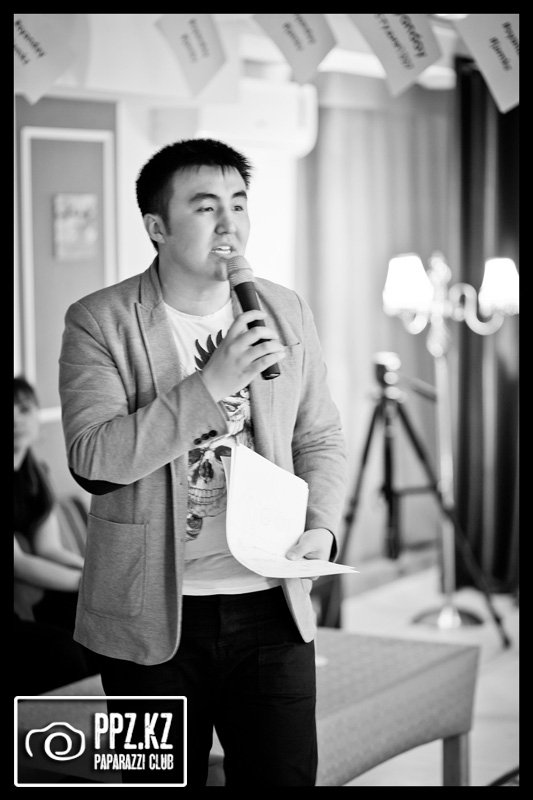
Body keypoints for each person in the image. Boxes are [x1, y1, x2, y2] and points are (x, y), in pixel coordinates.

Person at [58, 138, 346, 786]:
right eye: (206, 206)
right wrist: (209, 385)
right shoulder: (99, 320)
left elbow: (319, 436)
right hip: (148, 618)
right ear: (157, 227)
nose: (229, 225)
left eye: (238, 205)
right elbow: (93, 460)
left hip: (272, 606)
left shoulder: (284, 310)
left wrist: (322, 526)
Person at [14, 376, 97, 695]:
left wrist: (94, 574)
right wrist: (84, 583)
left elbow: (48, 548)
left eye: (24, 409)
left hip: (32, 592)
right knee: (64, 653)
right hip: (20, 597)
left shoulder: (36, 472)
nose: (16, 420)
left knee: (100, 626)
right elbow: (19, 564)